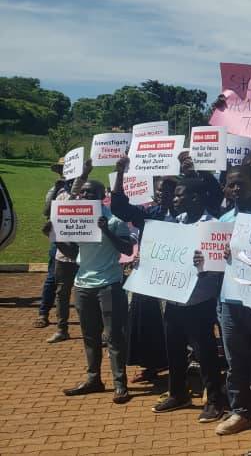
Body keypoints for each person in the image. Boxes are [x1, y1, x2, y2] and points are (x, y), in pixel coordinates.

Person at [150, 178, 228, 425]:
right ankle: (178, 394)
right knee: (174, 350)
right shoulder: (175, 223)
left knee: (205, 353)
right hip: (174, 300)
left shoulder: (214, 226)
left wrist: (205, 266)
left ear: (195, 198)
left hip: (199, 302)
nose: (174, 199)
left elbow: (224, 266)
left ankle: (214, 401)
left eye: (179, 196)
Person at [56, 178, 133, 405]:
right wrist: (57, 238)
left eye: (91, 193)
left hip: (108, 283)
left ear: (102, 196)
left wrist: (106, 230)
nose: (85, 196)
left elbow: (127, 249)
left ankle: (120, 383)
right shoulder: (79, 219)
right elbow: (73, 253)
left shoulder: (115, 220)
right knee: (90, 335)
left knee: (113, 336)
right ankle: (94, 379)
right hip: (83, 285)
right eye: (83, 193)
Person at [216, 165, 251, 436]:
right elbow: (213, 263)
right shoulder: (224, 220)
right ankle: (241, 413)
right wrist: (203, 258)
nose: (236, 189)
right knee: (234, 361)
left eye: (241, 183)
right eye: (231, 184)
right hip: (230, 300)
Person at [109, 157, 172, 383]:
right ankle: (150, 365)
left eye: (169, 190)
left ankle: (179, 365)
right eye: (160, 190)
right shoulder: (149, 214)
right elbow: (119, 207)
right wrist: (120, 172)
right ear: (154, 193)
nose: (164, 194)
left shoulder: (186, 216)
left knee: (172, 323)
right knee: (144, 320)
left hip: (175, 278)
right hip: (148, 276)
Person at [35, 157, 68, 329]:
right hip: (60, 239)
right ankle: (43, 313)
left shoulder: (86, 188)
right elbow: (46, 211)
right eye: (63, 169)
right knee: (52, 278)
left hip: (81, 238)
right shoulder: (55, 189)